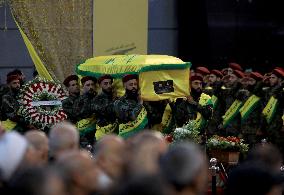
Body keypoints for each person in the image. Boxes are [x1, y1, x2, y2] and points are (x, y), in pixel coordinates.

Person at [93, 75, 118, 139]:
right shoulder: (97, 99)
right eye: (105, 84)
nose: (109, 86)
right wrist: (114, 100)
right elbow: (106, 111)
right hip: (103, 133)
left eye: (110, 83)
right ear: (100, 85)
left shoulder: (116, 97)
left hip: (116, 131)